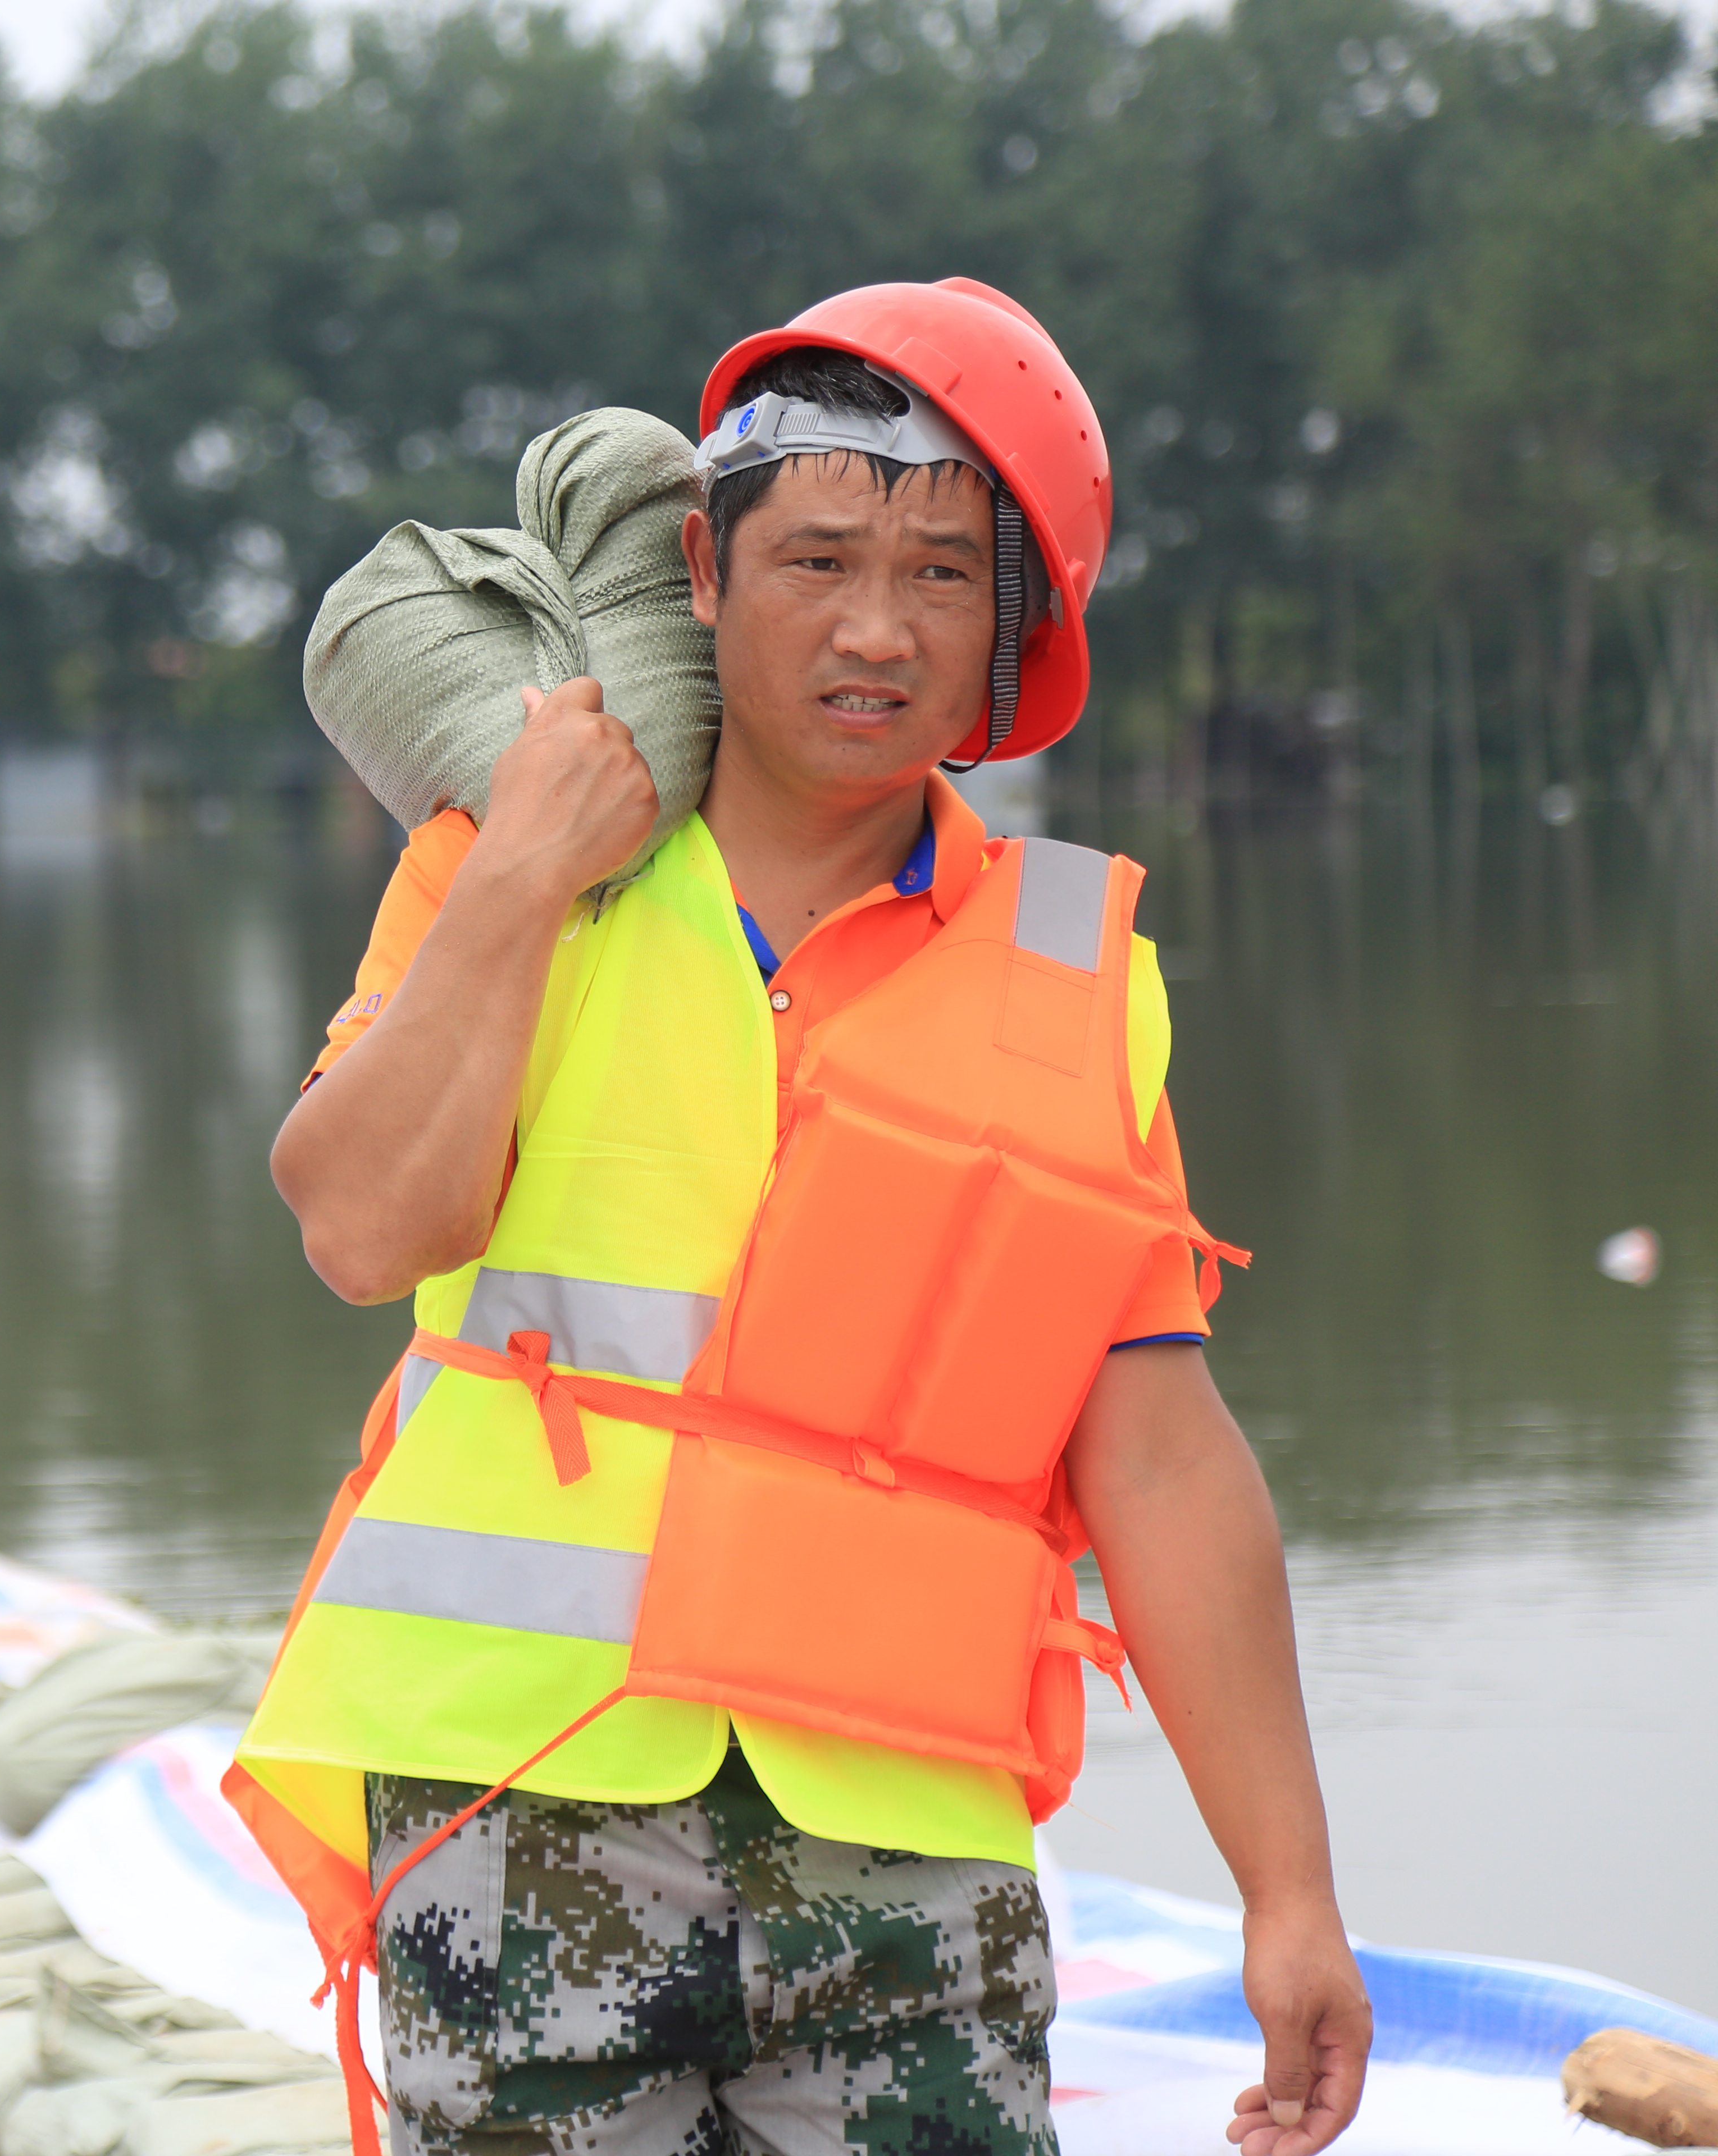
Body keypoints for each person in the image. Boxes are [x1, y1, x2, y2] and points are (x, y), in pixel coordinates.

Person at [227, 280, 1371, 2156]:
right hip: (519, 1801)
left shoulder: (1077, 963)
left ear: (1013, 625)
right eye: (821, 557)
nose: (873, 627)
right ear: (704, 568)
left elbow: (1159, 1456)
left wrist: (1289, 1891)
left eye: (940, 575)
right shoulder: (514, 860)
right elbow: (359, 1228)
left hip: (906, 1847)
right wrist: (521, 867)